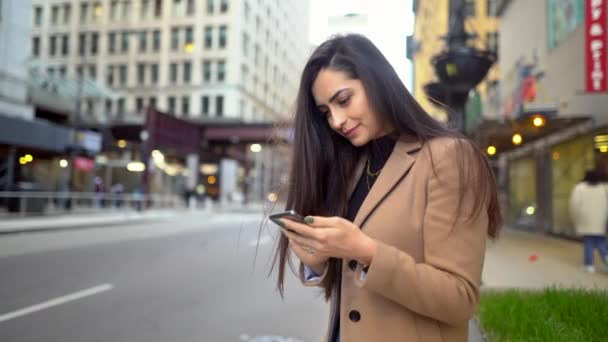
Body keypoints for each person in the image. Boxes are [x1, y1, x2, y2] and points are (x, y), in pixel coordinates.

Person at [270, 34, 501, 342]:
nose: (336, 121)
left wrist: (364, 250)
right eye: (325, 112)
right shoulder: (352, 165)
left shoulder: (448, 157)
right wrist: (318, 259)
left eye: (343, 100)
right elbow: (353, 293)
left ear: (377, 81)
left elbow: (459, 299)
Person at [569, 170, 608, 273]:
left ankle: (589, 265)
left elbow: (574, 205)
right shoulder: (604, 188)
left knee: (588, 242)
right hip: (600, 218)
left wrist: (575, 219)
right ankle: (606, 260)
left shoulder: (579, 188)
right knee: (601, 241)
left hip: (585, 219)